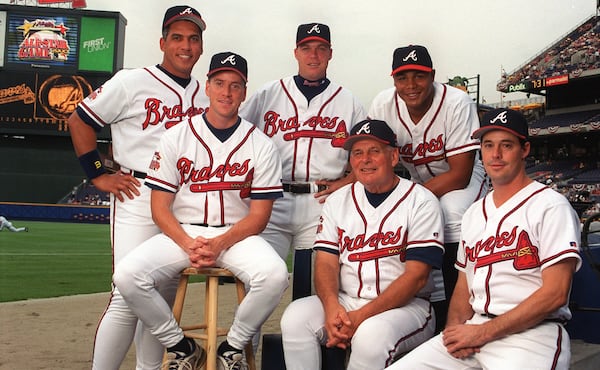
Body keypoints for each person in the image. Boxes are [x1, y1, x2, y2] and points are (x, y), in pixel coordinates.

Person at [112, 52, 289, 370]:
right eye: (220, 83)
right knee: (126, 276)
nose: (227, 92)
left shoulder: (260, 144)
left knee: (275, 276)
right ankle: (179, 345)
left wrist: (219, 244)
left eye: (235, 86)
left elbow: (259, 216)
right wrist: (187, 242)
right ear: (207, 87)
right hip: (185, 231)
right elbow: (159, 207)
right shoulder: (176, 136)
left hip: (236, 234)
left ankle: (233, 346)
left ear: (244, 92)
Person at [67, 5, 209, 369]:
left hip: (185, 199)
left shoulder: (206, 93)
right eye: (177, 37)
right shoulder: (131, 81)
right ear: (162, 42)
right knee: (127, 293)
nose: (186, 46)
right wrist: (98, 173)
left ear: (201, 46)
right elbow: (79, 120)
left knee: (161, 294)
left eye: (193, 38)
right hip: (138, 192)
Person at [387, 108, 582, 369]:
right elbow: (463, 289)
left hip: (532, 335)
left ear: (524, 150)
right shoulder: (474, 213)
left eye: (506, 145)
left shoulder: (550, 206)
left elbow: (555, 294)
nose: (496, 154)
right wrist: (454, 335)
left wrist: (483, 332)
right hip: (475, 328)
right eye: (488, 145)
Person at [280, 119, 445, 370]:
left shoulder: (421, 201)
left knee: (370, 336)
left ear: (393, 157)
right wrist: (332, 307)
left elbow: (417, 278)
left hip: (407, 308)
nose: (364, 159)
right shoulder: (339, 201)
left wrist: (359, 317)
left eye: (374, 151)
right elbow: (325, 262)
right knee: (295, 317)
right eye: (357, 153)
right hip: (347, 301)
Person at [239, 22, 367, 299]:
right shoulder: (268, 94)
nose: (314, 55)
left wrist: (347, 180)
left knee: (311, 287)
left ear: (330, 53)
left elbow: (370, 154)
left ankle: (302, 342)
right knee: (257, 282)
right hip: (271, 199)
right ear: (296, 52)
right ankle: (243, 343)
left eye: (321, 49)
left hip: (320, 202)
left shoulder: (348, 102)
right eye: (307, 48)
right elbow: (236, 135)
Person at [368, 45, 488, 331]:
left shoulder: (457, 102)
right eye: (402, 77)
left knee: (450, 212)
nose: (411, 85)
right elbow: (370, 154)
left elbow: (459, 174)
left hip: (465, 178)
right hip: (418, 181)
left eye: (419, 76)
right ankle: (426, 307)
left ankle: (452, 313)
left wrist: (407, 200)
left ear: (433, 76)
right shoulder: (383, 105)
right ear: (393, 79)